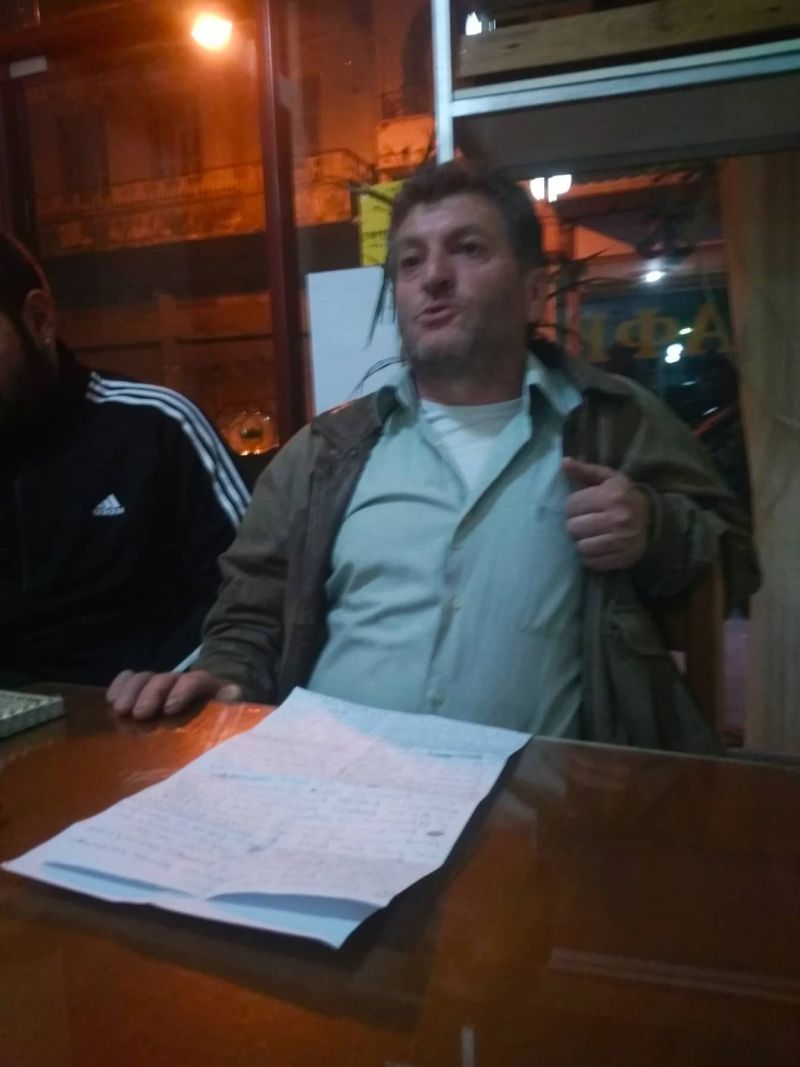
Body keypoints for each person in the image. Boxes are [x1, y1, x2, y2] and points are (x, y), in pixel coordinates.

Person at [108, 162, 759, 752]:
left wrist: (652, 529)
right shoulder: (327, 453)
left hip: (537, 809)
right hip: (330, 790)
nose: (434, 277)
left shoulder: (611, 422)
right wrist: (223, 674)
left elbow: (734, 561)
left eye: (468, 249)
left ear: (534, 290)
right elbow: (252, 605)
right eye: (410, 262)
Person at [0, 233, 249, 687]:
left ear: (38, 319)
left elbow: (252, 593)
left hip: (143, 710)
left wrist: (174, 681)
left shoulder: (156, 426)